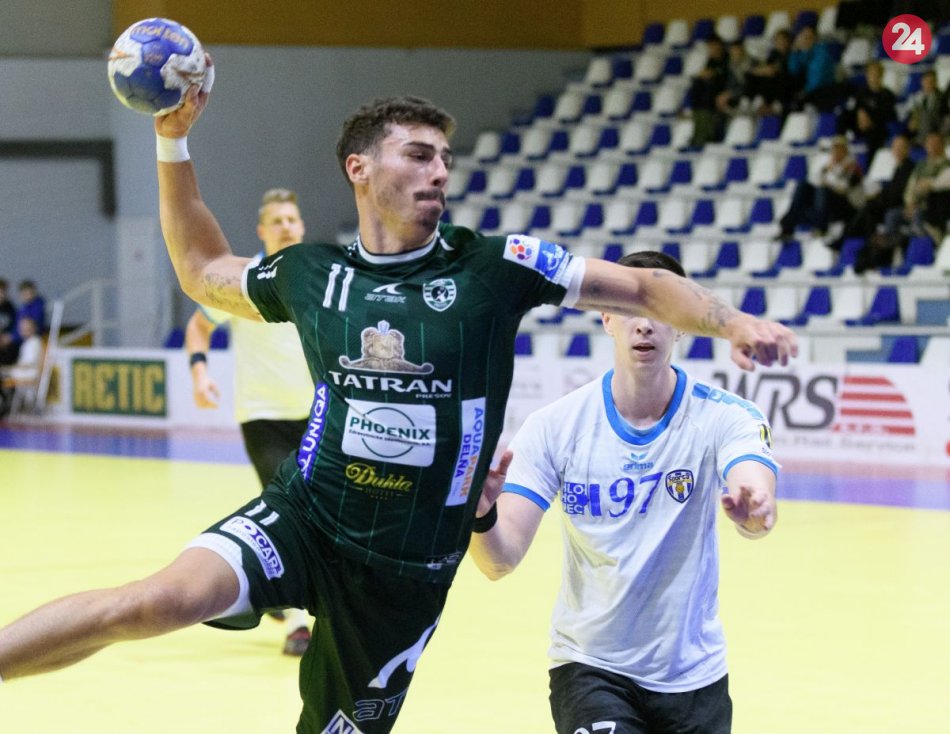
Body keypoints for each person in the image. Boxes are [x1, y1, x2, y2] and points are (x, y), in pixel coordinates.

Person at [0, 86, 795, 734]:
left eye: (445, 158)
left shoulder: (497, 266)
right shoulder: (312, 273)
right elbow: (202, 267)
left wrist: (731, 322)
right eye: (418, 154)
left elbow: (643, 287)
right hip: (308, 517)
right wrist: (171, 142)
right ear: (360, 167)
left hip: (405, 576)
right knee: (156, 601)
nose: (439, 171)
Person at [469, 250, 779, 734]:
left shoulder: (726, 416)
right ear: (606, 317)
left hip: (694, 677)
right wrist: (479, 513)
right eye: (632, 308)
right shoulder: (554, 427)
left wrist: (754, 511)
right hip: (590, 668)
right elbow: (498, 561)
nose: (645, 325)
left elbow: (753, 484)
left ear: (684, 324)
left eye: (661, 310)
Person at [184, 187, 314, 656]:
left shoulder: (318, 277)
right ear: (262, 231)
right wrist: (200, 372)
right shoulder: (243, 280)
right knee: (289, 510)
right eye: (277, 220)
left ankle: (276, 592)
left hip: (318, 416)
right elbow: (198, 326)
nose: (286, 226)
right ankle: (298, 622)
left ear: (301, 226)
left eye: (291, 219)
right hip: (262, 417)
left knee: (322, 513)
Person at [829, 133, 916, 270]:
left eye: (901, 147)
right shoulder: (898, 168)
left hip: (898, 207)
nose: (898, 151)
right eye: (895, 147)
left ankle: (849, 242)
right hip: (889, 204)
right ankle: (866, 248)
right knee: (867, 211)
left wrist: (880, 199)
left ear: (907, 150)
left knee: (869, 210)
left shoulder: (909, 167)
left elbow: (900, 194)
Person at [776, 134, 864, 241]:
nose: (836, 152)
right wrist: (827, 171)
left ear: (845, 151)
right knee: (803, 186)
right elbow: (815, 181)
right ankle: (787, 227)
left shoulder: (853, 168)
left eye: (840, 149)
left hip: (846, 206)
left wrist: (830, 178)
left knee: (822, 190)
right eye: (834, 149)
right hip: (826, 206)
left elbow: (843, 189)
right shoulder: (828, 167)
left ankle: (820, 227)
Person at [837, 61, 897, 160]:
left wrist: (870, 119)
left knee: (877, 135)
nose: (873, 77)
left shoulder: (887, 95)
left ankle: (870, 163)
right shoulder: (861, 92)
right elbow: (854, 108)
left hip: (876, 128)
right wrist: (860, 115)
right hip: (860, 125)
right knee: (844, 115)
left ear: (881, 75)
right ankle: (839, 144)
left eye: (876, 74)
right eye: (870, 74)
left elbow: (888, 115)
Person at [904, 131, 950, 244]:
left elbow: (940, 184)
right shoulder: (921, 165)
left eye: (935, 143)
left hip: (934, 204)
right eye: (930, 143)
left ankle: (936, 243)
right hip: (917, 203)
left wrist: (928, 185)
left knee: (921, 216)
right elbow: (911, 184)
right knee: (893, 216)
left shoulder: (945, 164)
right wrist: (910, 202)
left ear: (942, 145)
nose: (932, 146)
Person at [787, 24, 839, 113]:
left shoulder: (821, 54)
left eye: (809, 38)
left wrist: (804, 92)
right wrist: (794, 51)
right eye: (804, 37)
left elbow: (816, 80)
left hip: (823, 90)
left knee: (797, 104)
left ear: (815, 39)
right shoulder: (804, 53)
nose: (806, 40)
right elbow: (793, 70)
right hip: (811, 90)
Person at [0, 316, 43, 417]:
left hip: (28, 373)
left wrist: (9, 369)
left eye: (26, 328)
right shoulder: (27, 343)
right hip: (22, 371)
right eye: (22, 328)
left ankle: (4, 405)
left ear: (33, 328)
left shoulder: (34, 342)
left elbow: (27, 364)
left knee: (2, 375)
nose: (23, 330)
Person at [904, 70, 948, 145]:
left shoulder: (942, 98)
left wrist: (939, 134)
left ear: (936, 82)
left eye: (932, 81)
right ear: (922, 82)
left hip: (935, 136)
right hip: (918, 136)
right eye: (927, 81)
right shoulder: (916, 97)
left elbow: (945, 119)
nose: (929, 84)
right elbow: (910, 115)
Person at [0, 278, 17, 366]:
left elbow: (16, 326)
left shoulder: (10, 308)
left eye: (3, 292)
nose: (1, 295)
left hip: (6, 343)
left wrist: (10, 336)